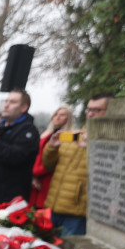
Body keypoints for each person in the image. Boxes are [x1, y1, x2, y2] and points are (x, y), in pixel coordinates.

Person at [41, 94, 112, 236]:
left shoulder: (112, 141)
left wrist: (91, 149)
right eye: (89, 109)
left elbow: (109, 175)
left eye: (97, 110)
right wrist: (51, 148)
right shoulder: (74, 135)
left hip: (77, 213)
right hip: (53, 207)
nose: (90, 114)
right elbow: (49, 166)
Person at [31, 106, 73, 208]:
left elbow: (59, 158)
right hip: (37, 176)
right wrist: (33, 176)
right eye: (56, 114)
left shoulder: (69, 136)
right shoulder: (45, 134)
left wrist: (36, 172)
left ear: (68, 118)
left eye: (62, 115)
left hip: (51, 178)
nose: (57, 117)